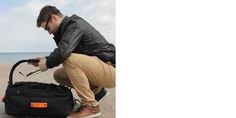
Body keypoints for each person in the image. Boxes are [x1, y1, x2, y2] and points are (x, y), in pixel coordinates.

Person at [32, 5, 116, 118]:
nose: (49, 32)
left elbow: (64, 52)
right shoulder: (67, 30)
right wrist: (45, 59)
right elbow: (64, 50)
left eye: (47, 28)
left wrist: (47, 64)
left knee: (69, 59)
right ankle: (97, 92)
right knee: (59, 75)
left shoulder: (74, 25)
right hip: (102, 68)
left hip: (111, 69)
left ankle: (91, 107)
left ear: (54, 18)